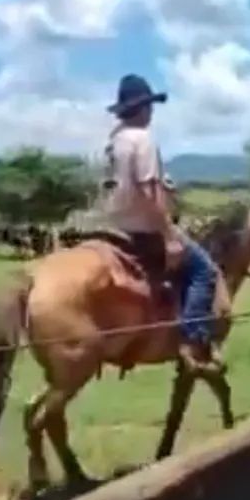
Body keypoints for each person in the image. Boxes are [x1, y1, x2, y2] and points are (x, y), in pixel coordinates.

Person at [101, 74, 224, 377]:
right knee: (204, 271)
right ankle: (192, 341)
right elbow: (147, 190)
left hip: (117, 226)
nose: (152, 112)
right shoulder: (142, 139)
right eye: (150, 106)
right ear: (142, 108)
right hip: (145, 228)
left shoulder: (115, 140)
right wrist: (169, 235)